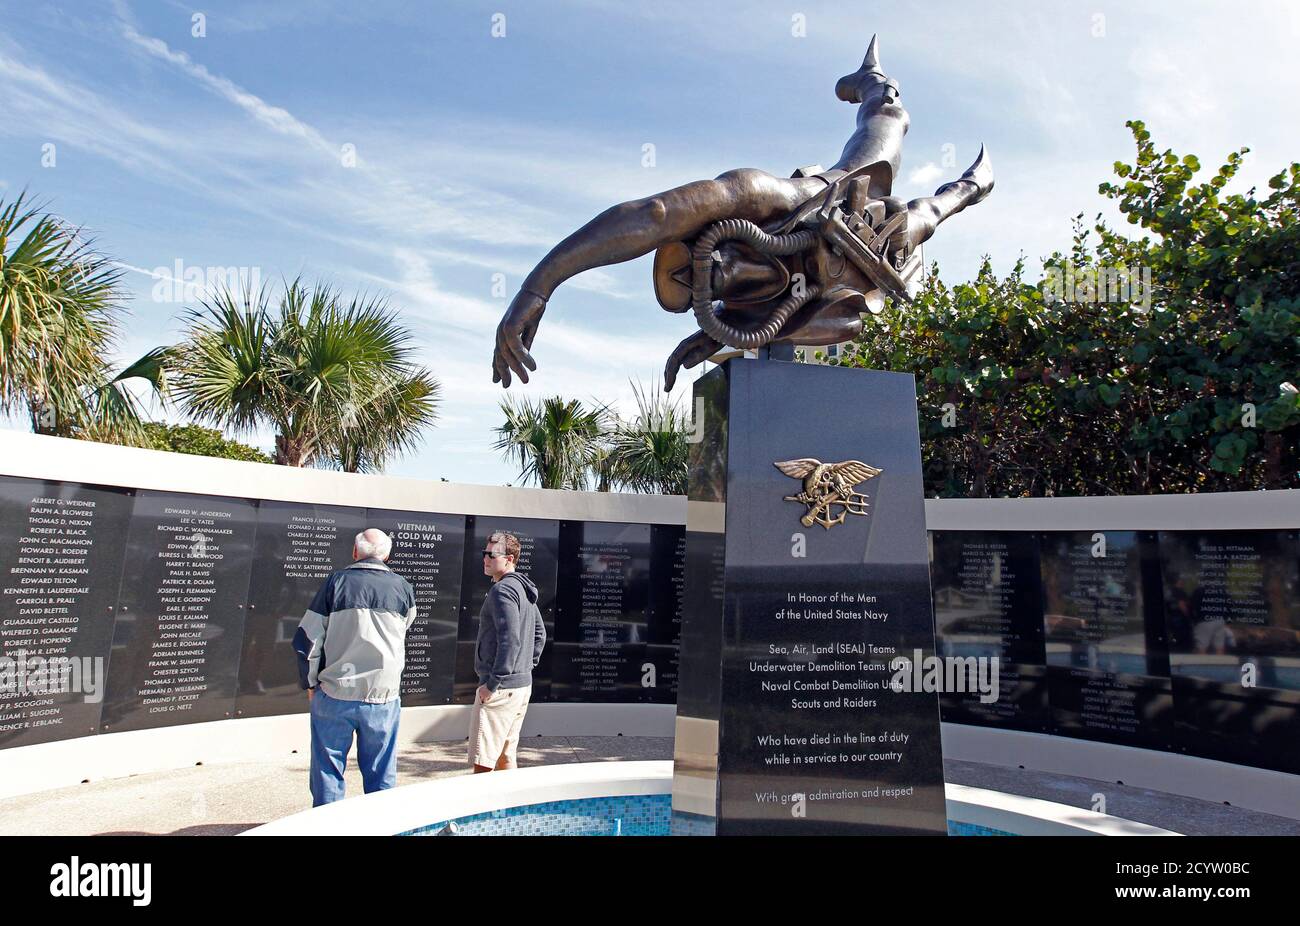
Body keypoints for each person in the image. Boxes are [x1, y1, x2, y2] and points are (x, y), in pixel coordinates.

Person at [292, 528, 416, 806]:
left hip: (336, 692)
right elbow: (405, 627)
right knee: (382, 774)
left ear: (355, 552)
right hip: (382, 695)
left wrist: (310, 683)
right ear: (387, 555)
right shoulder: (403, 588)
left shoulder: (335, 583)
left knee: (328, 770)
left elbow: (308, 639)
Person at [470, 530, 546, 772]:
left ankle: (482, 810)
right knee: (505, 757)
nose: (485, 558)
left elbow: (510, 639)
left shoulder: (502, 591)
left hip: (501, 689)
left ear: (510, 558)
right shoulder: (523, 589)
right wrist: (526, 667)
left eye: (492, 554)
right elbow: (539, 635)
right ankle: (509, 810)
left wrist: (493, 684)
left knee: (483, 763)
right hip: (521, 686)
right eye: (485, 553)